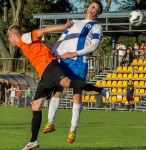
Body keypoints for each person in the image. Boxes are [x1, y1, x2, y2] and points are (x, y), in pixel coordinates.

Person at [7, 20, 106, 150]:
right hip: (45, 73)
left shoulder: (24, 37)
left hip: (50, 67)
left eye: (9, 38)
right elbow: (45, 46)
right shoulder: (25, 43)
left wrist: (63, 27)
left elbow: (44, 30)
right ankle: (33, 141)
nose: (10, 41)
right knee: (36, 106)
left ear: (11, 36)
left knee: (67, 83)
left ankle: (100, 90)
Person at [43, 0, 104, 144]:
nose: (93, 9)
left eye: (96, 8)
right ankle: (50, 122)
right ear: (88, 7)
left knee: (77, 96)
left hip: (79, 61)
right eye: (92, 6)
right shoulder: (74, 22)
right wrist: (53, 52)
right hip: (64, 60)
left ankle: (72, 130)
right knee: (57, 90)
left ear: (98, 13)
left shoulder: (97, 26)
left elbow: (93, 46)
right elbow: (61, 39)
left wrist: (75, 53)